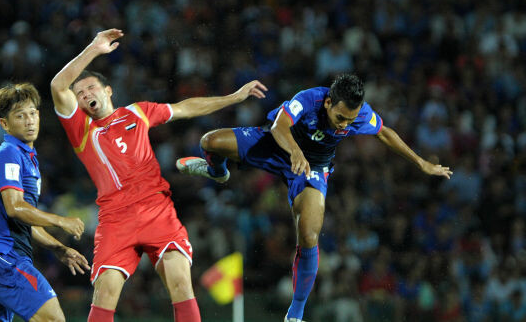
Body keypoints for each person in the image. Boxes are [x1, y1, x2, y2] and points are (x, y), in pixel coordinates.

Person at [176, 73, 453, 322]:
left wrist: (421, 163)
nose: (344, 125)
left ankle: (295, 315)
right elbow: (279, 126)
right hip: (276, 146)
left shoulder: (360, 115)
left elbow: (385, 133)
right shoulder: (309, 99)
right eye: (340, 118)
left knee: (309, 234)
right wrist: (295, 151)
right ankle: (217, 173)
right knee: (210, 142)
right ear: (329, 102)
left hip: (313, 168)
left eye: (350, 120)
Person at [50, 28, 267, 322]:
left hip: (157, 210)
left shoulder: (137, 113)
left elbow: (185, 108)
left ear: (108, 90)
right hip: (115, 219)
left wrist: (233, 97)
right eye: (80, 93)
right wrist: (94, 48)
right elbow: (57, 85)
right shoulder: (81, 129)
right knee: (105, 295)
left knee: (181, 284)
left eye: (91, 87)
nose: (86, 94)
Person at [0, 82, 90, 322]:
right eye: (20, 116)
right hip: (6, 258)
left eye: (32, 113)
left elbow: (26, 220)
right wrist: (60, 220)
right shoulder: (9, 153)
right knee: (54, 319)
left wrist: (59, 248)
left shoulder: (28, 158)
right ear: (4, 124)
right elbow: (15, 207)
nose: (29, 121)